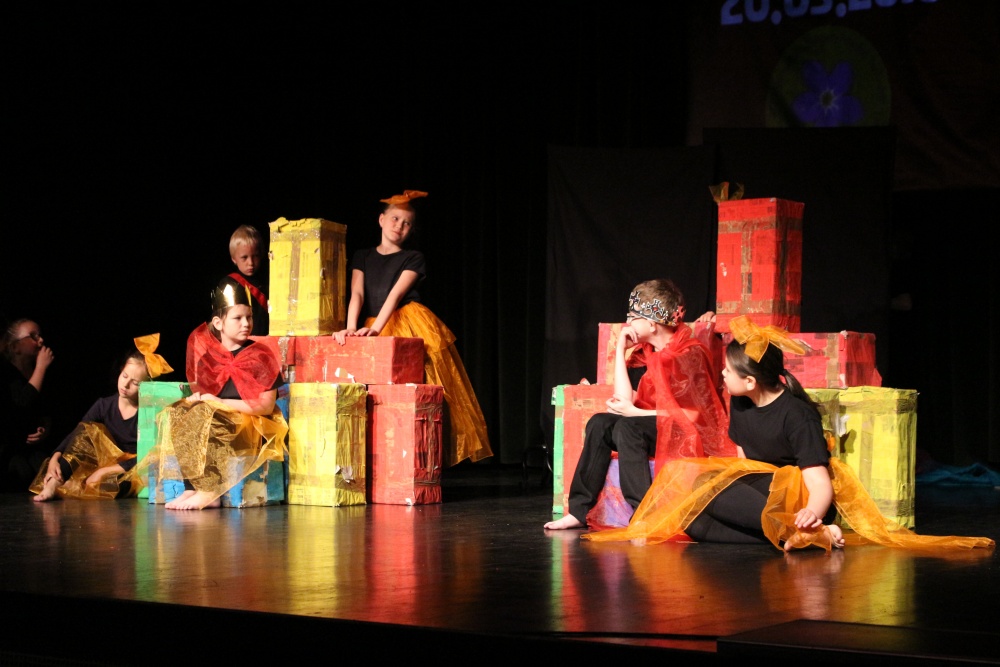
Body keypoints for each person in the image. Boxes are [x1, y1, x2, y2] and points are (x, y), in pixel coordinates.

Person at [582, 315, 995, 552]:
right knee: (693, 518)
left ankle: (805, 529)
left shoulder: (796, 415)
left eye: (727, 371)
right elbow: (744, 462)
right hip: (760, 489)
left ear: (750, 381)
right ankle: (796, 540)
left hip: (795, 493)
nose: (721, 375)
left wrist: (814, 511)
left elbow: (819, 481)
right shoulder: (741, 405)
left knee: (706, 488)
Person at [544, 279, 735, 531]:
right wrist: (620, 348)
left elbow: (694, 415)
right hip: (650, 423)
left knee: (628, 428)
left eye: (633, 317)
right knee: (600, 422)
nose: (628, 322)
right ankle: (579, 511)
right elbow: (622, 399)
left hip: (683, 431)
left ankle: (644, 514)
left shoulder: (690, 353)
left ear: (652, 324)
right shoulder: (645, 353)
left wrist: (635, 413)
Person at [333, 190, 492, 467]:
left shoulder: (413, 257)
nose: (400, 226)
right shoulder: (362, 256)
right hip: (371, 322)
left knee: (417, 383)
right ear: (381, 220)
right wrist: (350, 328)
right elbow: (357, 293)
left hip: (404, 322)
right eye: (395, 219)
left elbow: (394, 296)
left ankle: (418, 456)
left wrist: (376, 330)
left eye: (407, 223)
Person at [148, 276, 288, 510]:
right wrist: (197, 400)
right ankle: (192, 487)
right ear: (218, 323)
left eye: (249, 317)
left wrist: (218, 402)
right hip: (219, 416)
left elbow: (264, 406)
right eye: (237, 318)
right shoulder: (209, 359)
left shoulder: (260, 356)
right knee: (180, 412)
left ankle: (210, 491)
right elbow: (206, 397)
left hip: (251, 422)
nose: (246, 323)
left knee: (210, 417)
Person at [29, 334, 172, 501]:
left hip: (130, 468)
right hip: (104, 460)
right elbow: (79, 433)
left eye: (135, 383)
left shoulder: (148, 413)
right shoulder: (104, 405)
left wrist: (105, 471)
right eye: (124, 376)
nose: (125, 385)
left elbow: (149, 455)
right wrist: (56, 457)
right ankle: (54, 483)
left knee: (117, 484)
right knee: (87, 430)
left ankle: (76, 488)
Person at [0, 318, 55, 492]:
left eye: (40, 335)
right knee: (20, 472)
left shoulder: (40, 374)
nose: (41, 340)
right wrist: (41, 367)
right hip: (9, 448)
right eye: (33, 336)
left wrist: (45, 427)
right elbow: (21, 404)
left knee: (46, 469)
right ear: (15, 347)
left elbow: (46, 409)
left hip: (32, 448)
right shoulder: (6, 373)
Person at [226, 224, 269, 336]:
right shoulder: (229, 285)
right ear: (234, 259)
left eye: (255, 256)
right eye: (244, 257)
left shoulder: (269, 280)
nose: (251, 263)